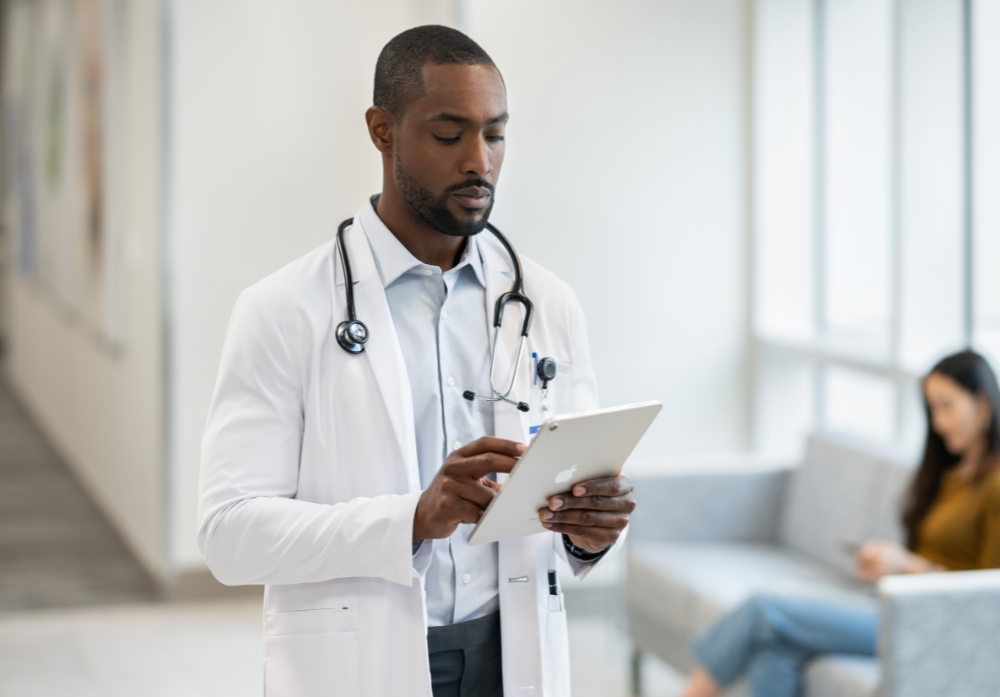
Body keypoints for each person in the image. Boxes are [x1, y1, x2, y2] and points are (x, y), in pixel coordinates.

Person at [198, 25, 636, 697]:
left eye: (494, 134)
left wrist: (591, 531)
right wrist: (410, 517)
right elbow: (229, 535)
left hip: (513, 652)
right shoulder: (282, 309)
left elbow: (567, 498)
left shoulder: (546, 302)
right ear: (382, 130)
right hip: (362, 659)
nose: (479, 162)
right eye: (448, 133)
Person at [678, 350, 1000, 697]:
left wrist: (908, 566)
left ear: (982, 402)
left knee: (765, 608)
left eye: (947, 406)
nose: (938, 422)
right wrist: (889, 564)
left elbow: (987, 596)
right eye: (932, 409)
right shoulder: (948, 473)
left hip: (932, 622)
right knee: (775, 651)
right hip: (893, 604)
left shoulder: (995, 484)